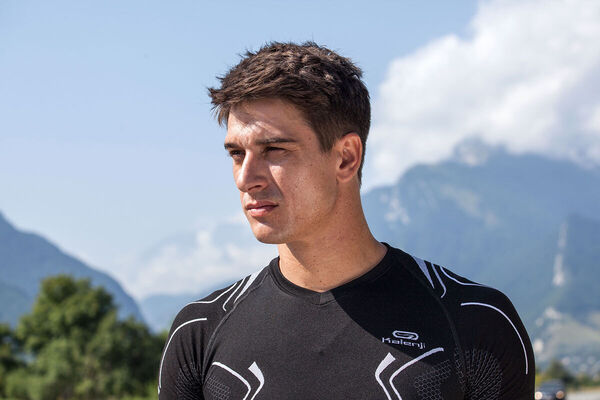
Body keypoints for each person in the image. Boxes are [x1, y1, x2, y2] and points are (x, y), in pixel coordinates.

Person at [158, 42, 535, 400]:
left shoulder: (476, 324)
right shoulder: (200, 332)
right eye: (237, 154)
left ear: (346, 158)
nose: (245, 178)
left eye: (274, 149)